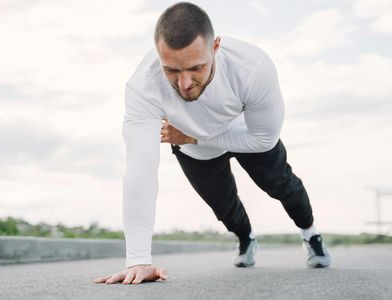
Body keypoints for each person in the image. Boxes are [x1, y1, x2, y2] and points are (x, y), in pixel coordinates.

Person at [94, 2, 331, 285]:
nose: (184, 83)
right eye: (171, 70)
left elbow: (263, 138)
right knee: (224, 206)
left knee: (281, 184)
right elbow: (140, 171)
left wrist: (195, 135)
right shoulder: (142, 87)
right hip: (194, 147)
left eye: (196, 68)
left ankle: (310, 234)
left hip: (245, 133)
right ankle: (246, 239)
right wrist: (138, 259)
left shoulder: (252, 67)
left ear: (215, 47)